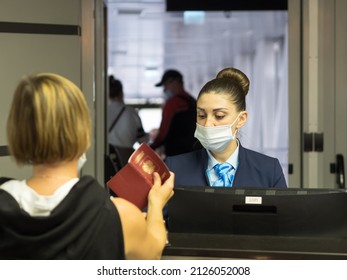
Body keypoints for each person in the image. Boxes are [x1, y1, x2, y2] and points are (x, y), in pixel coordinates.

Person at [0, 73, 174, 259]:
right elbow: (153, 252)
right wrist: (155, 204)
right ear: (83, 132)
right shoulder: (120, 217)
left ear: (16, 132)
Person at [165, 67, 287, 188]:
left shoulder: (269, 170)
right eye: (201, 115)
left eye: (219, 116)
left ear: (241, 119)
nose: (207, 124)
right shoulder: (174, 168)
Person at [150, 69, 197, 157]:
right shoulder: (194, 102)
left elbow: (163, 132)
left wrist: (152, 146)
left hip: (177, 155)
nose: (164, 90)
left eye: (166, 85)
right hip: (195, 155)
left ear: (176, 82)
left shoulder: (172, 103)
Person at [108, 75, 147, 149]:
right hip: (125, 157)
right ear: (121, 93)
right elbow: (143, 140)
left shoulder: (101, 113)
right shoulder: (132, 112)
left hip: (105, 156)